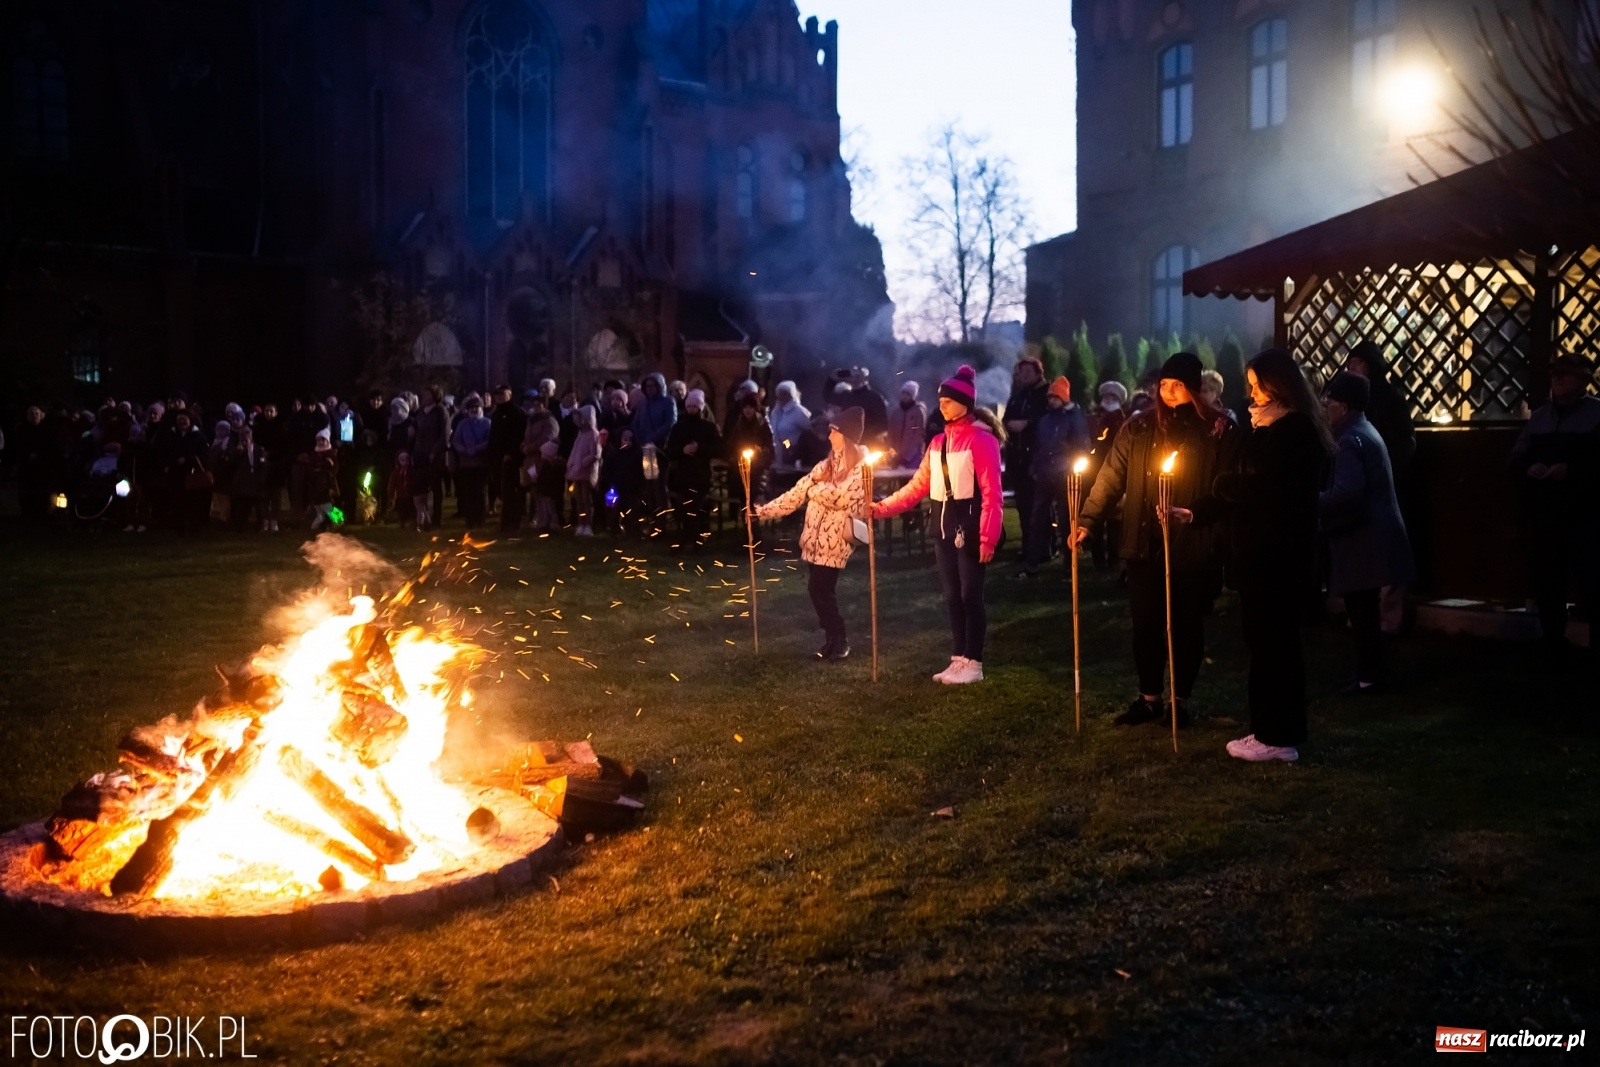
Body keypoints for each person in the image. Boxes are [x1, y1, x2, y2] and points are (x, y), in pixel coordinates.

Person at [1174, 348, 1335, 763]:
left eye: (1257, 385)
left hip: (1278, 557)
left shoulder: (1295, 431)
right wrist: (1196, 512)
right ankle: (1267, 729)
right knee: (1263, 643)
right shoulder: (1266, 428)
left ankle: (1278, 736)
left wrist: (1225, 485)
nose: (1253, 394)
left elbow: (1266, 489)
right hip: (1259, 556)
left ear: (1278, 384)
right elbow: (1245, 483)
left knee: (1275, 646)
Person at [1073, 353, 1240, 726]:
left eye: (1178, 385)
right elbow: (1111, 476)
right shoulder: (1139, 427)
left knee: (1185, 623)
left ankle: (1181, 700)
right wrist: (1088, 520)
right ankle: (1149, 697)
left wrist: (1197, 515)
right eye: (1164, 385)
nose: (1169, 392)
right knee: (1146, 622)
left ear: (1193, 388)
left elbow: (1227, 485)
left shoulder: (1217, 429)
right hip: (1143, 541)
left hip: (1191, 542)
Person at [872, 366, 1005, 685]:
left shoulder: (982, 441)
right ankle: (958, 658)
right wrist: (880, 508)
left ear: (965, 403)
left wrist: (988, 537)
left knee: (970, 595)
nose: (941, 405)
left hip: (970, 529)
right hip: (943, 530)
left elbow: (992, 493)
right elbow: (917, 487)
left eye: (948, 401)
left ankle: (974, 662)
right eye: (941, 400)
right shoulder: (937, 443)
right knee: (952, 596)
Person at [1320, 372, 1416, 693]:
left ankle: (1368, 677)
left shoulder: (1349, 439)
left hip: (1364, 540)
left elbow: (1347, 491)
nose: (1325, 406)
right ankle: (1369, 674)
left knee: (1362, 613)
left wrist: (1311, 499)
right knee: (1365, 613)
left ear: (1344, 407)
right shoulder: (1365, 430)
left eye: (1330, 401)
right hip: (1375, 536)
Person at [1506, 354, 1600, 672]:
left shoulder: (1596, 415)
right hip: (1547, 515)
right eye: (1555, 374)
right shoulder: (1540, 418)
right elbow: (1515, 458)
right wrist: (1528, 467)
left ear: (1584, 380)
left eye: (1566, 374)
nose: (1558, 379)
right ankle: (1553, 647)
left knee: (1593, 583)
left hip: (1587, 514)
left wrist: (1572, 471)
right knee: (1549, 583)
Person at [754, 407, 869, 659]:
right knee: (820, 592)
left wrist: (815, 491)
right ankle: (832, 640)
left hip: (836, 539)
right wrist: (763, 512)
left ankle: (840, 639)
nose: (829, 436)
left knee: (819, 589)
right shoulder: (824, 466)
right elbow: (796, 493)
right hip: (814, 539)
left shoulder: (861, 469)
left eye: (834, 431)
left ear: (847, 436)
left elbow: (844, 498)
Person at [1346, 340, 1418, 632]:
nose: (1349, 369)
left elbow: (1404, 443)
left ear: (1365, 365)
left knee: (1387, 552)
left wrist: (1383, 471)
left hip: (1385, 487)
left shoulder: (1386, 399)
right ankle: (1365, 615)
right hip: (1362, 486)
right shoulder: (1359, 399)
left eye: (1353, 363)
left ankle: (1389, 617)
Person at [1023, 376, 1091, 576]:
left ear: (1063, 398)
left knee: (1066, 520)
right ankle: (1033, 560)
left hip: (1065, 475)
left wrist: (1072, 469)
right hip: (1045, 474)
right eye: (1050, 397)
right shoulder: (1046, 420)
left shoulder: (1074, 419)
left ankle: (1070, 562)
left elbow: (1081, 446)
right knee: (1037, 519)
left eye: (1054, 397)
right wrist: (1035, 468)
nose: (1051, 400)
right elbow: (1039, 446)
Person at [1004, 357, 1050, 569]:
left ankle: (1044, 548)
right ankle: (1028, 548)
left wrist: (1028, 424)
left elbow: (1048, 420)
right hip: (1018, 458)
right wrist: (1009, 424)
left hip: (1037, 458)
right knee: (1023, 506)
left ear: (1038, 373)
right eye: (1021, 373)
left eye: (1028, 372)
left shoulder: (1046, 395)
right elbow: (1005, 419)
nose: (1024, 376)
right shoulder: (1017, 396)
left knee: (1039, 507)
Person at [665, 388, 722, 549]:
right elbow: (669, 451)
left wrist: (700, 448)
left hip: (701, 475)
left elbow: (719, 449)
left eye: (694, 407)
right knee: (683, 507)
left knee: (697, 507)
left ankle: (697, 538)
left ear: (700, 407)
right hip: (682, 475)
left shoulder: (709, 427)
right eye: (689, 406)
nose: (691, 410)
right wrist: (682, 450)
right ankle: (685, 537)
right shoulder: (678, 427)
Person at [725, 392, 773, 511]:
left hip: (757, 471)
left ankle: (753, 521)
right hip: (740, 468)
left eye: (751, 407)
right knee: (740, 496)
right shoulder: (739, 424)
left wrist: (759, 452)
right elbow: (732, 444)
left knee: (753, 500)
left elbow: (770, 448)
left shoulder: (763, 426)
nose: (748, 410)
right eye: (745, 407)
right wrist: (735, 454)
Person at [488, 386, 527, 531]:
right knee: (501, 490)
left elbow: (519, 435)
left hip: (511, 459)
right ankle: (506, 521)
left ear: (509, 395)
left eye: (502, 394)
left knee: (512, 491)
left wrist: (511, 453)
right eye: (497, 394)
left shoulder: (516, 413)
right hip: (497, 458)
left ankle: (512, 521)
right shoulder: (496, 414)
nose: (499, 397)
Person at [452, 395, 492, 529]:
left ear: (481, 408)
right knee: (468, 491)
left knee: (480, 491)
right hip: (466, 463)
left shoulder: (487, 423)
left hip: (481, 463)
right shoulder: (462, 424)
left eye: (476, 407)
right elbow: (456, 440)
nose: (474, 410)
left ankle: (480, 518)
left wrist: (476, 449)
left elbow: (489, 440)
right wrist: (463, 450)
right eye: (471, 408)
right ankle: (470, 518)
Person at [565, 404, 601, 536]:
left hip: (586, 471)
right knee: (579, 499)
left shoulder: (593, 435)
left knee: (586, 499)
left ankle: (588, 525)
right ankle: (581, 523)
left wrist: (583, 462)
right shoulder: (580, 434)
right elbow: (575, 452)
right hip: (577, 471)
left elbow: (595, 454)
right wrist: (571, 464)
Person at [769, 380, 813, 469]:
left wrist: (794, 446)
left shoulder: (799, 411)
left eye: (785, 393)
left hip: (794, 457)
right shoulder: (775, 412)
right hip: (777, 456)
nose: (782, 396)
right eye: (780, 393)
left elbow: (811, 429)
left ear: (791, 394)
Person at [888, 381, 927, 470]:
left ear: (913, 396)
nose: (905, 396)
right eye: (903, 393)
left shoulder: (918, 412)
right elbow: (891, 432)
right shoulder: (896, 412)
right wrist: (891, 449)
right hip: (896, 454)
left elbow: (919, 434)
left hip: (913, 455)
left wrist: (910, 452)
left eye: (908, 394)